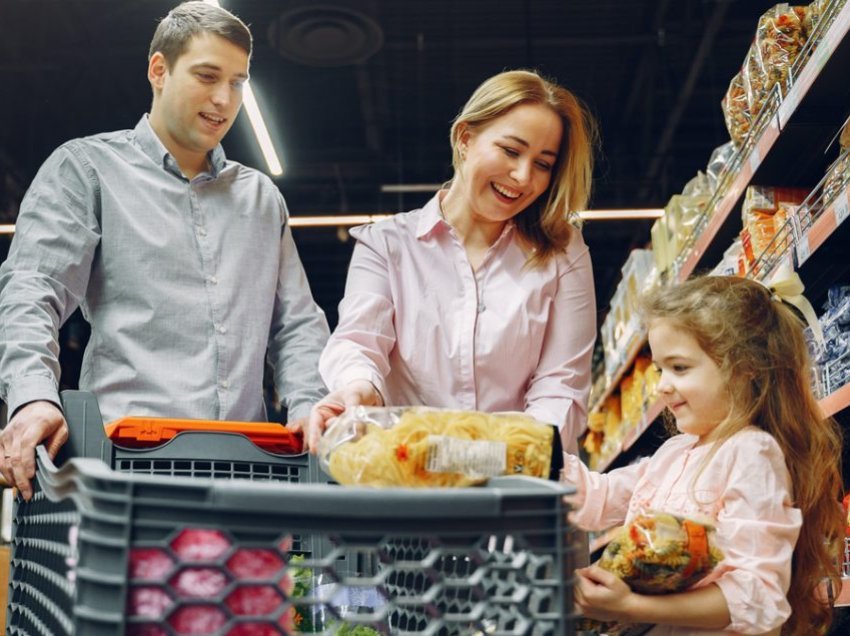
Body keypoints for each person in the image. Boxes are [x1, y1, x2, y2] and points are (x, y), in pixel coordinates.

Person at [0, 1, 330, 499]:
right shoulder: (87, 170)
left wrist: (310, 405)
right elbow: (33, 289)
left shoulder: (260, 198)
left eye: (237, 82)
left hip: (248, 474)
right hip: (122, 471)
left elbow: (298, 324)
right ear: (159, 69)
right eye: (206, 75)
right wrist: (31, 397)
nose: (223, 99)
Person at [308, 69, 598, 454]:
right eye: (511, 151)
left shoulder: (563, 252)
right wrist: (359, 389)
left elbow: (562, 385)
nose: (523, 176)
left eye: (543, 164)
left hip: (517, 483)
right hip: (408, 475)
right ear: (465, 138)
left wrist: (498, 455)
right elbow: (360, 342)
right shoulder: (387, 245)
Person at [566, 275, 844, 635]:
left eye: (679, 367)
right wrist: (527, 453)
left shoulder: (751, 454)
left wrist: (630, 606)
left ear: (745, 368)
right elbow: (597, 499)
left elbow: (757, 595)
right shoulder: (675, 453)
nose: (663, 385)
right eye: (659, 370)